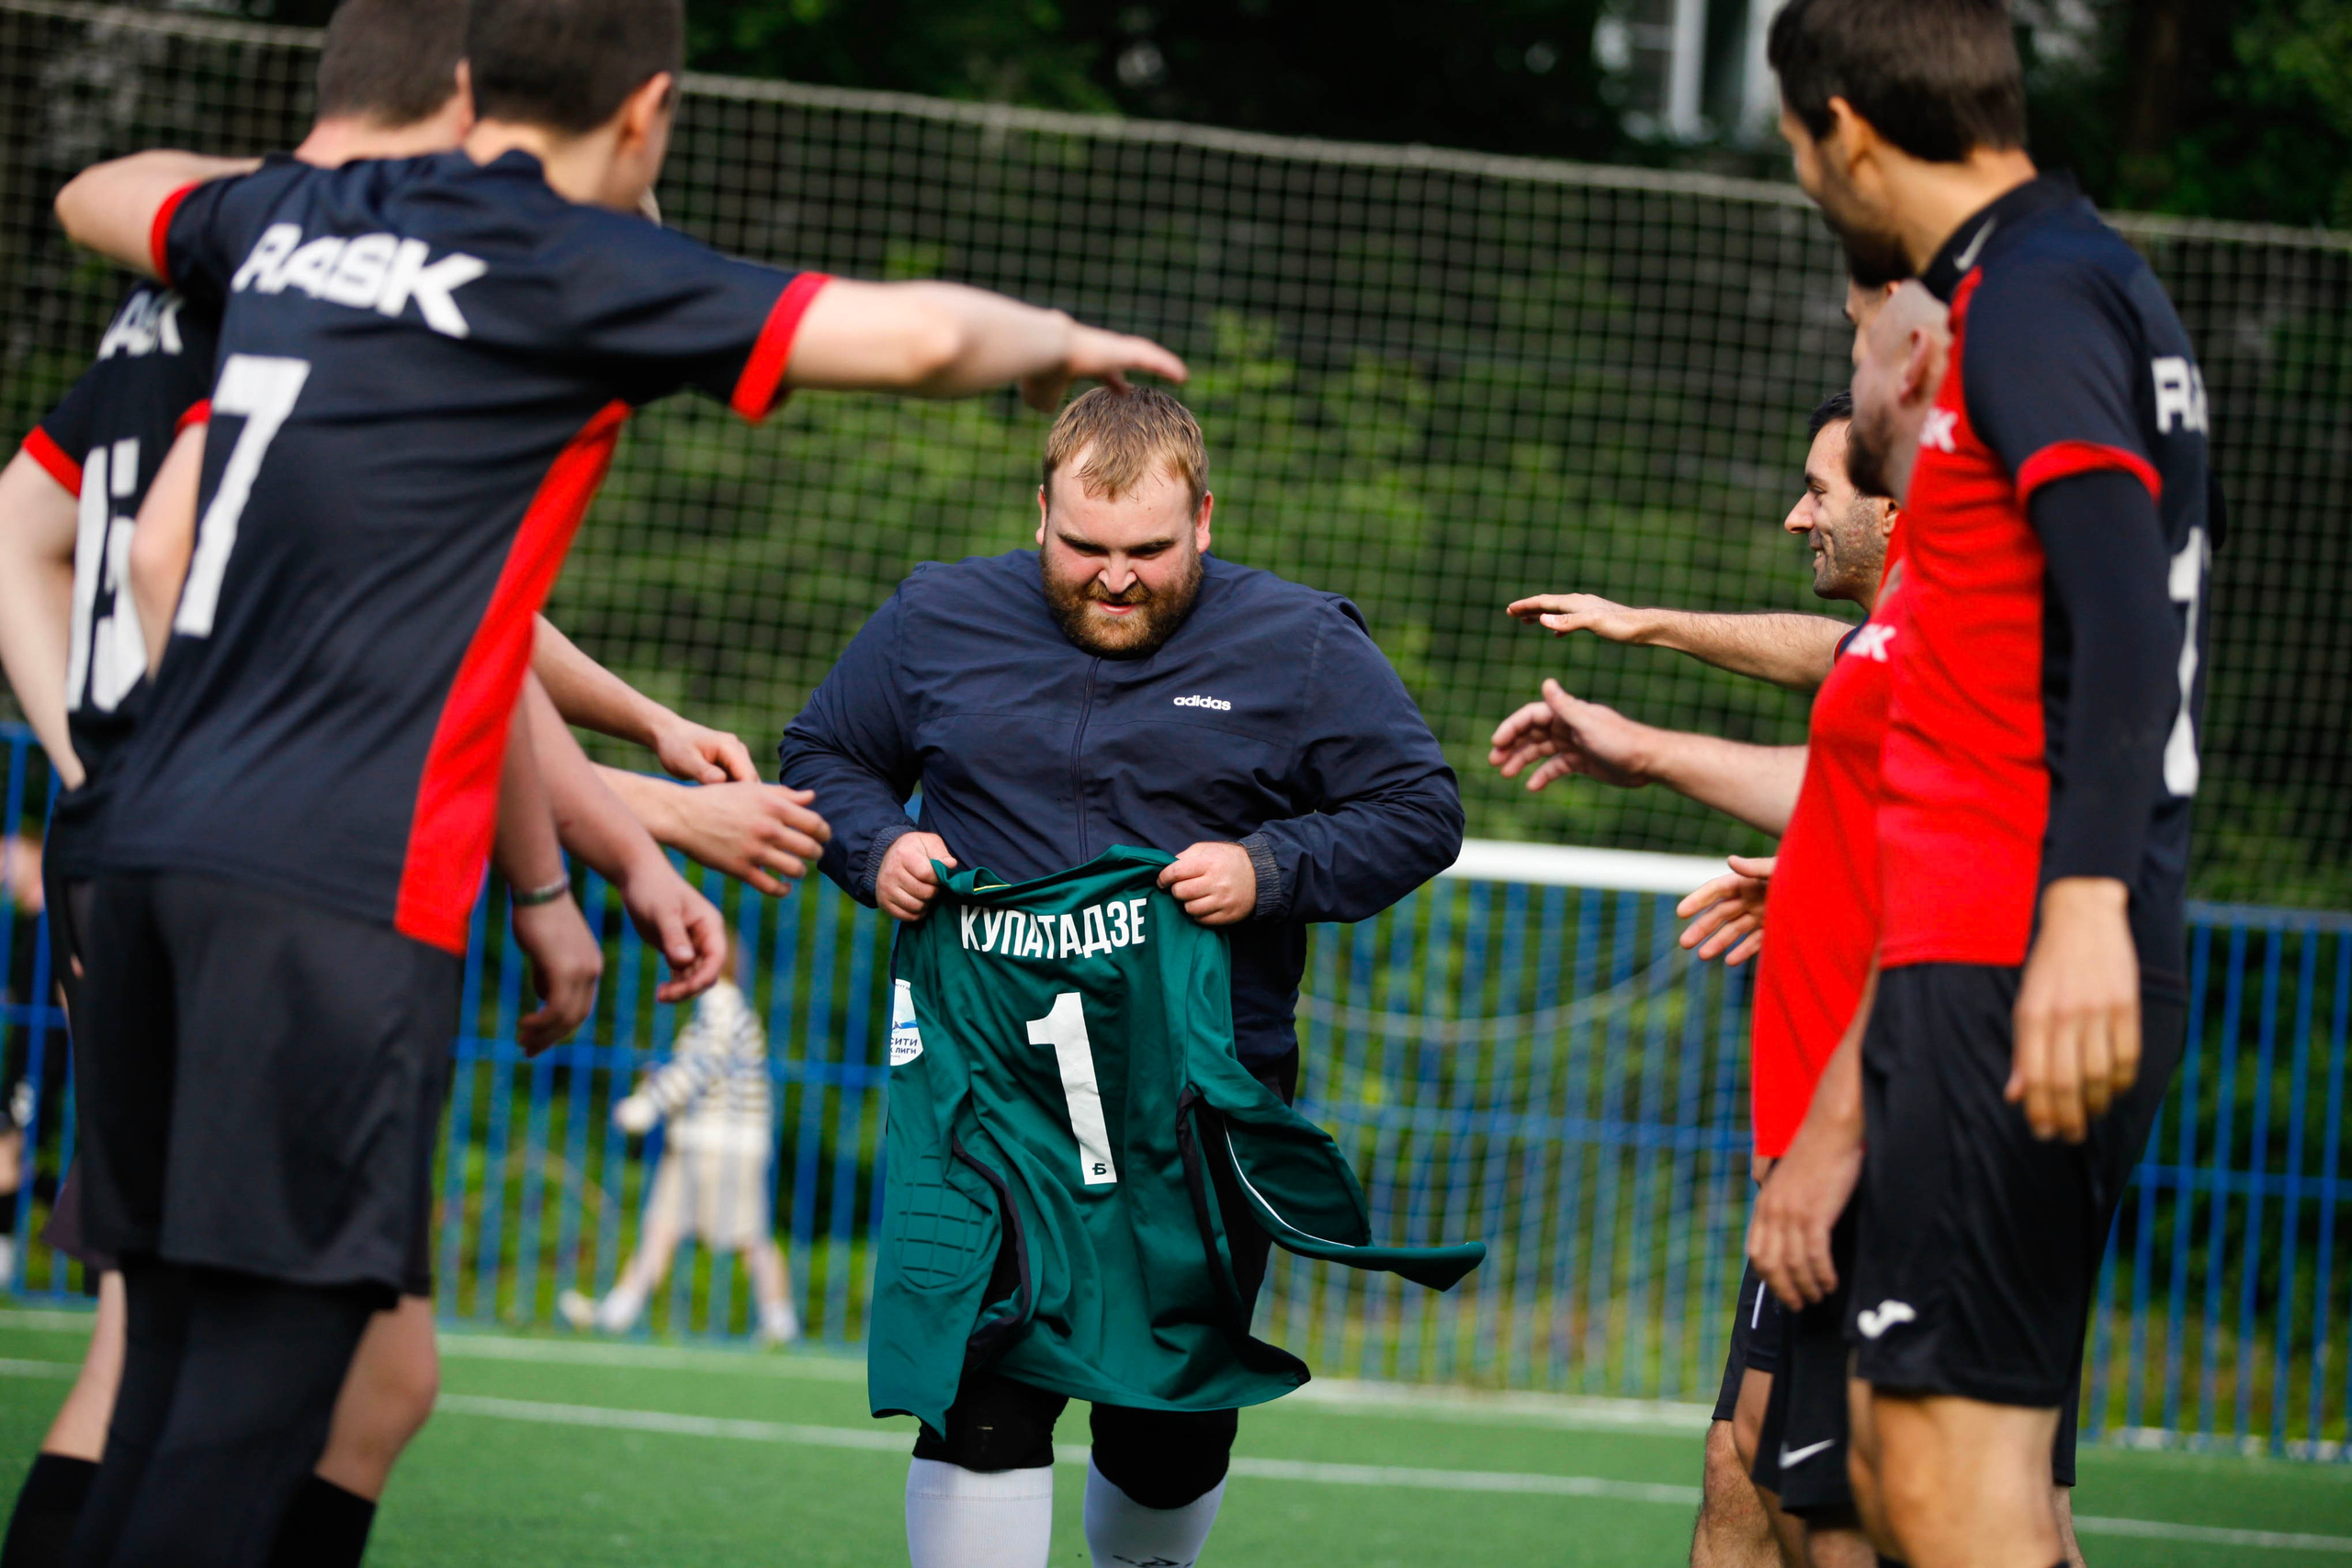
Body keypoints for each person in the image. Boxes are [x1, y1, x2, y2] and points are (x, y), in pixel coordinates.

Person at [46, 0, 1184, 1556]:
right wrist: (1066, 347)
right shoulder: (568, 260)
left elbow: (102, 210)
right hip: (324, 891)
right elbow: (915, 337)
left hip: (131, 853)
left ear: (463, 84)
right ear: (645, 112)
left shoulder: (301, 219)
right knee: (260, 1404)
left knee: (159, 1363)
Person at [0, 8, 816, 1563]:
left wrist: (89, 764)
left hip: (155, 839)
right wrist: (614, 849)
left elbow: (32, 531)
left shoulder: (230, 274)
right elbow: (411, 627)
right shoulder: (351, 281)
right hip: (281, 869)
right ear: (468, 106)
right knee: (191, 1365)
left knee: (338, 1374)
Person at [778, 386, 1463, 1568]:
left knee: (1166, 1425)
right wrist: (872, 844)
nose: (1115, 578)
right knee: (979, 1389)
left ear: (1204, 517)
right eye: (1083, 548)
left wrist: (1271, 868)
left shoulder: (1299, 643)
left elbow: (1418, 811)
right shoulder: (937, 614)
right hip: (986, 1100)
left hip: (1187, 1108)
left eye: (1147, 550)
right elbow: (825, 753)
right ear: (1039, 511)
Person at [1767, 4, 2215, 1565]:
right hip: (1976, 942)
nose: (1806, 177)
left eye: (1797, 147)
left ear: (1849, 130)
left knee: (1953, 1494)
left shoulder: (2031, 300)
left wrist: (2084, 898)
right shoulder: (2054, 284)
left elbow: (2123, 597)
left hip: (2017, 940)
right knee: (1915, 1472)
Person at [1492, 385, 1894, 1568]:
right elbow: (1838, 682)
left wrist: (1657, 740)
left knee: (1937, 1506)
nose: (1792, 515)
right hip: (1827, 1118)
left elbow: (1959, 826)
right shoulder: (1890, 638)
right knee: (1749, 1459)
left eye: (1818, 489)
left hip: (1892, 1115)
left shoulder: (1979, 616)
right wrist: (1646, 633)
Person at [560, 941, 800, 1346]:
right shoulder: (719, 1008)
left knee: (749, 1236)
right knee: (661, 1228)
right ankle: (617, 1313)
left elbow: (702, 1066)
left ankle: (779, 1322)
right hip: (700, 1142)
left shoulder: (722, 1006)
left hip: (724, 1145)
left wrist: (648, 1104)